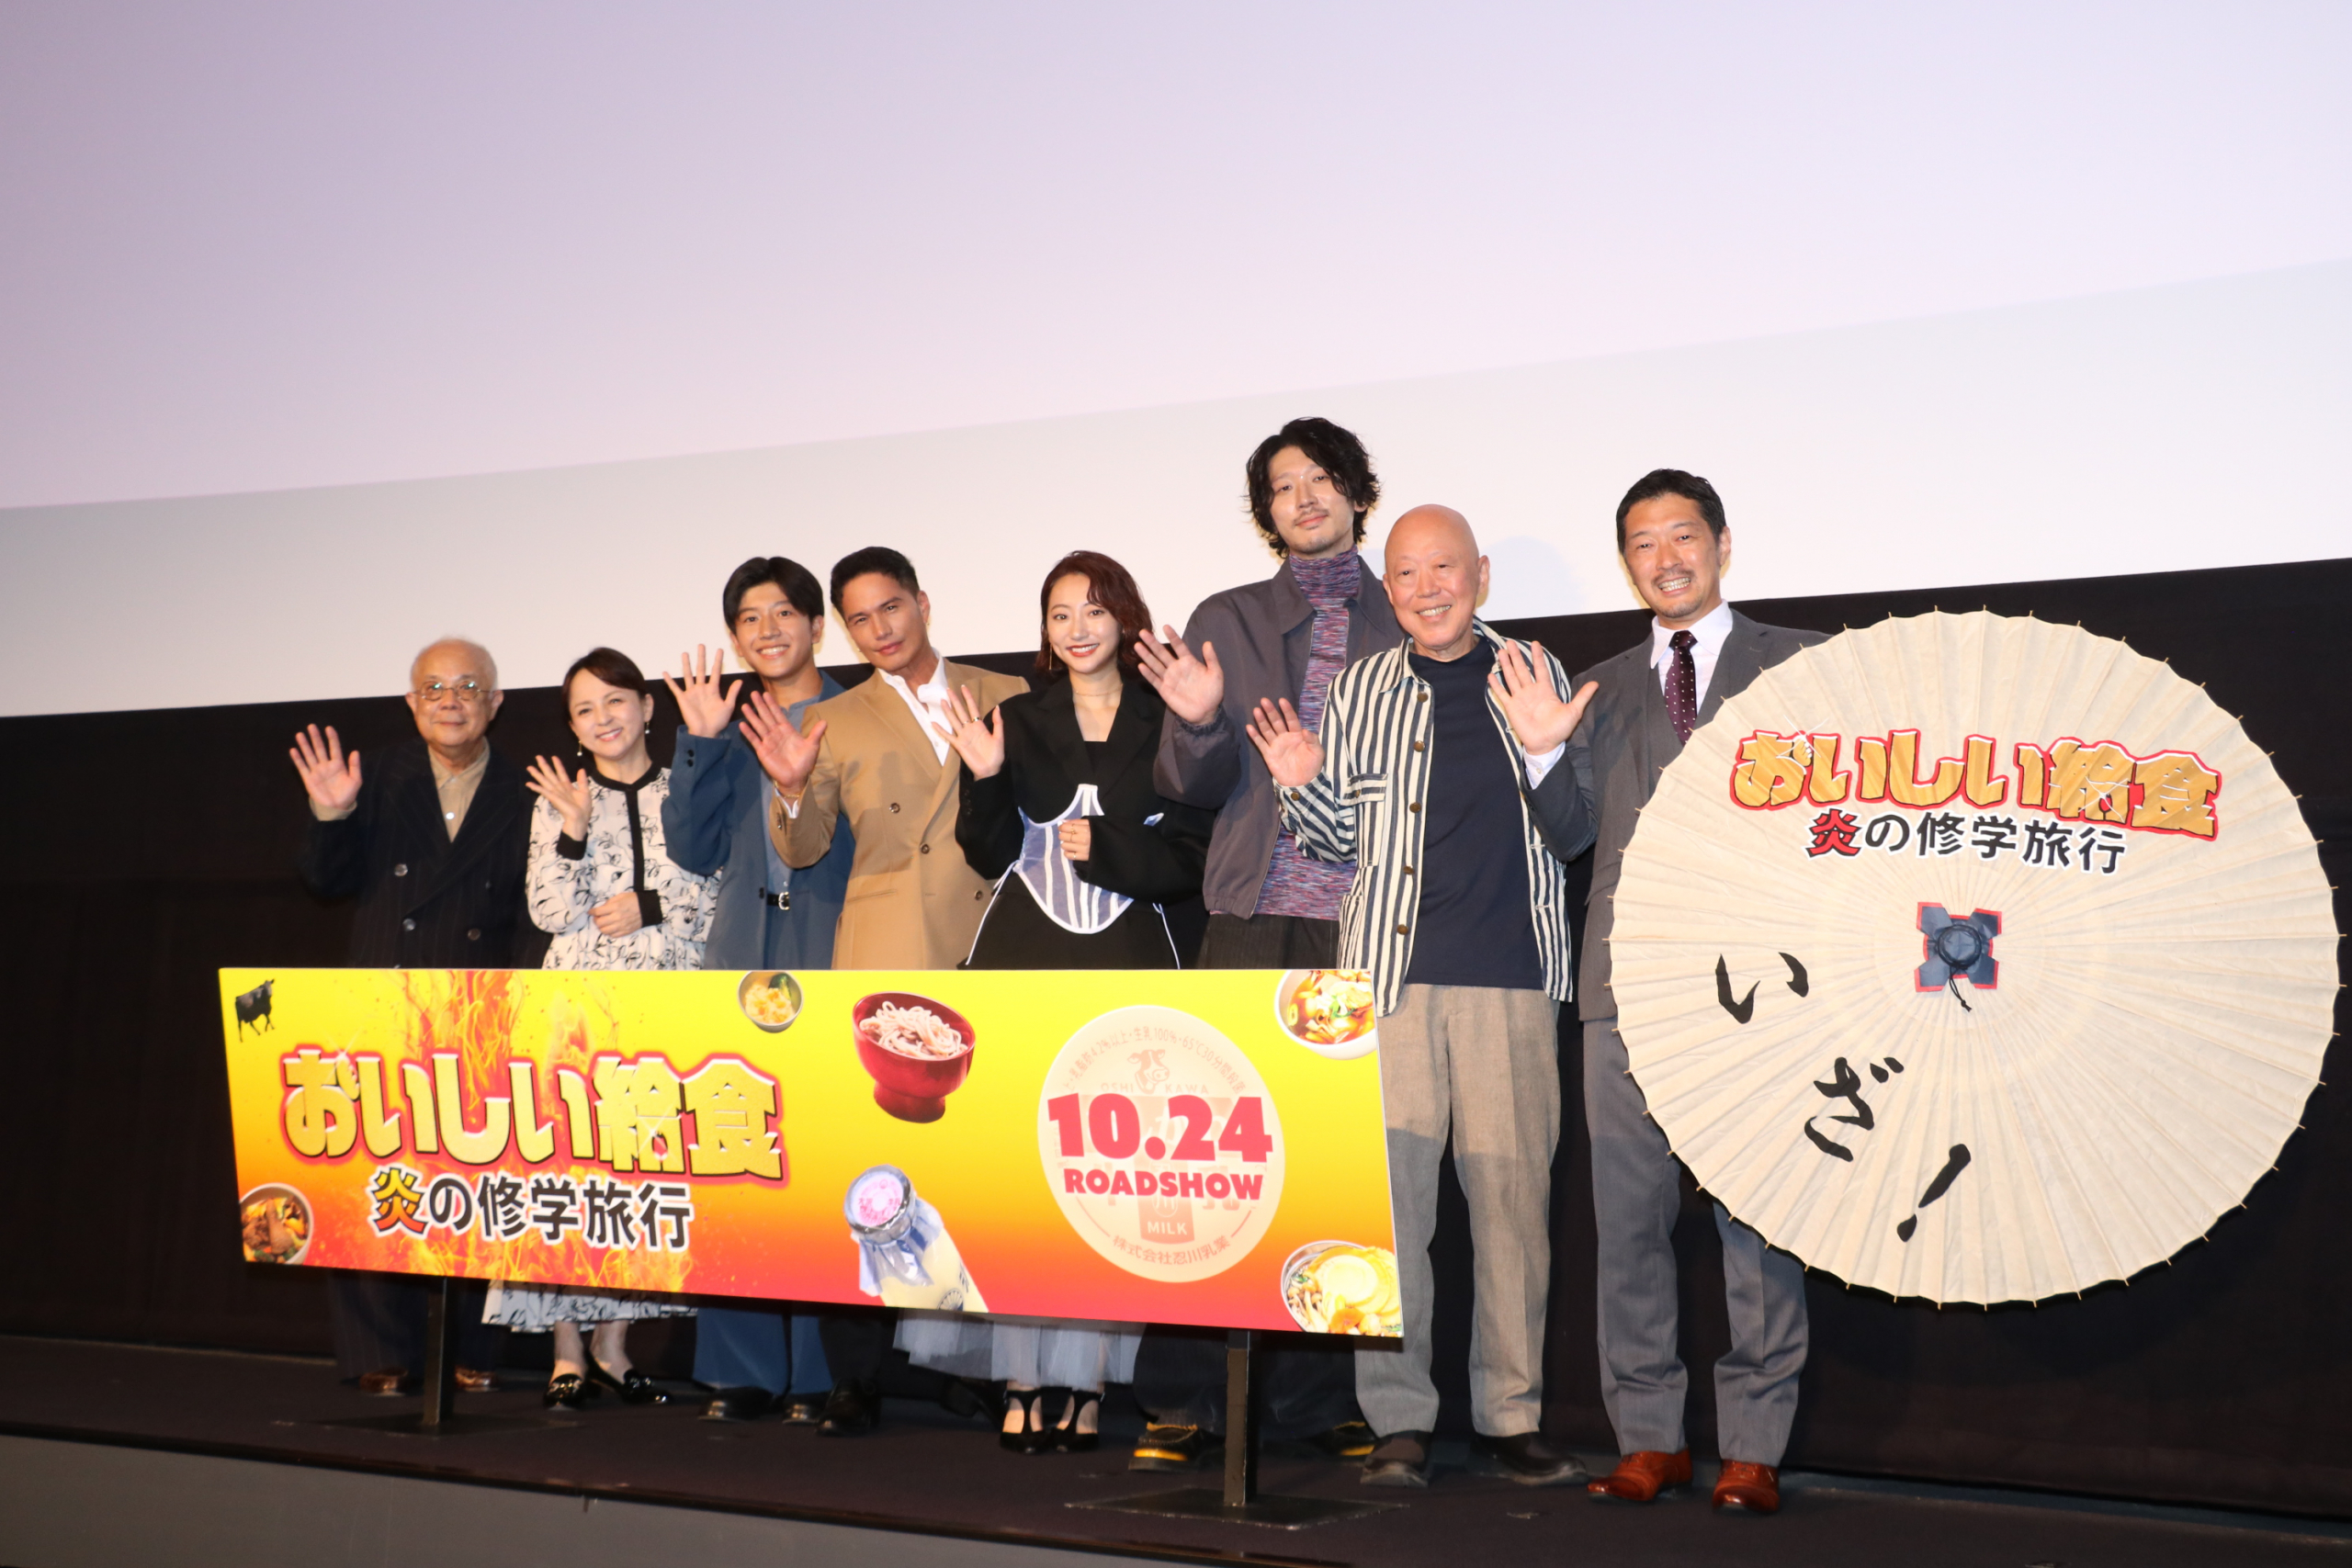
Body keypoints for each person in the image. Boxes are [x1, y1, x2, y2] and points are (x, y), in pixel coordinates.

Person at [1247, 505, 1593, 1490]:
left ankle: (1510, 1417)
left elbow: (1577, 831)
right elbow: (1335, 843)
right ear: (1388, 588)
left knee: (1512, 1214)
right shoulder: (1360, 687)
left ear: (1479, 573)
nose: (1427, 587)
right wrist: (1300, 784)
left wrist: (1543, 754)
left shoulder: (1533, 671)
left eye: (1444, 567)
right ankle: (1397, 1419)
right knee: (1388, 1218)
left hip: (1513, 981)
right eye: (1406, 573)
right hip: (1387, 986)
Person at [1124, 417, 1400, 1472]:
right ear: (1265, 513)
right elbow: (1185, 785)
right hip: (1249, 915)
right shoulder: (1226, 619)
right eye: (1284, 487)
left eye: (1322, 479)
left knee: (1336, 1169)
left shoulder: (1407, 610)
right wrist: (1197, 722)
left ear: (1357, 493)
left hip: (1361, 922)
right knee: (1212, 1160)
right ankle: (1183, 1396)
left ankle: (1317, 1399)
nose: (1305, 498)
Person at [903, 550, 1213, 1452]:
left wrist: (1108, 848)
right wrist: (985, 775)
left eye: (1093, 611)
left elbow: (1191, 857)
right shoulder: (1015, 717)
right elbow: (988, 851)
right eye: (1059, 614)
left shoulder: (1169, 715)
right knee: (1018, 1179)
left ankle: (1089, 1380)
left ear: (1126, 618)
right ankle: (1021, 1374)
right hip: (1021, 957)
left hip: (1129, 957)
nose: (1077, 629)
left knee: (1112, 1176)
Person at [1560, 469, 1824, 1516]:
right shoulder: (1594, 690)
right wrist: (1540, 753)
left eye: (1682, 536)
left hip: (1764, 983)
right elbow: (1568, 834)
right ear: (1626, 563)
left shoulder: (1803, 665)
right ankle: (1649, 1438)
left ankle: (1753, 1445)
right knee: (1628, 1223)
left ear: (1720, 543)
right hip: (1623, 984)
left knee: (1756, 1218)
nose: (1664, 558)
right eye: (1643, 543)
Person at [741, 545, 1027, 1436]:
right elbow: (803, 848)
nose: (880, 629)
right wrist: (791, 790)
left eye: (891, 607)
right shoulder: (833, 718)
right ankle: (855, 1377)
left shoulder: (1007, 694)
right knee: (870, 1175)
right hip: (885, 961)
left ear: (923, 603)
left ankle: (975, 1369)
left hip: (990, 944)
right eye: (860, 619)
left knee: (983, 1174)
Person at [288, 637, 527, 1395]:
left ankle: (476, 1347)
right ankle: (380, 1351)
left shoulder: (528, 785)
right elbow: (324, 881)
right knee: (373, 1172)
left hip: (485, 1005)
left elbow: (536, 908)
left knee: (486, 1178)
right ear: (411, 702)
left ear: (496, 702)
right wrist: (331, 813)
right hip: (383, 1000)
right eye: (434, 688)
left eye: (468, 687)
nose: (451, 700)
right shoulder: (373, 776)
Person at [485, 647, 713, 1407]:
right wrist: (576, 827)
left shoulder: (689, 790)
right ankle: (566, 1349)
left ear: (647, 707)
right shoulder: (561, 798)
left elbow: (721, 895)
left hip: (669, 1006)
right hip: (578, 1008)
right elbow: (548, 909)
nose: (603, 718)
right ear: (574, 728)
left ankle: (615, 1343)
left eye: (615, 700)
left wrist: (655, 905)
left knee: (644, 1176)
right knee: (570, 1169)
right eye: (585, 709)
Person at [661, 557, 854, 1425]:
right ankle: (740, 1366)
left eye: (783, 612)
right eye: (749, 617)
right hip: (741, 953)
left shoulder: (863, 713)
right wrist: (701, 742)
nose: (767, 630)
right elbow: (692, 848)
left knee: (826, 1163)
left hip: (830, 947)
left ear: (816, 624)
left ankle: (818, 1369)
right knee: (735, 1154)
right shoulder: (726, 725)